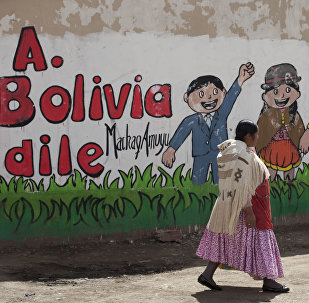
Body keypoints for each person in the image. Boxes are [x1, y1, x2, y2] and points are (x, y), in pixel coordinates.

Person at [196, 120, 289, 292]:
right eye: (256, 134)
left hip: (228, 205)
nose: (258, 137)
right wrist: (248, 211)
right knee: (261, 241)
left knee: (225, 238)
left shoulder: (235, 151)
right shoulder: (242, 155)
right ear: (248, 136)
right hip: (248, 206)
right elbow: (240, 185)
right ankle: (269, 280)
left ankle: (207, 274)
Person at [162, 63, 255, 185]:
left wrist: (240, 79)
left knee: (221, 181)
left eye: (215, 91)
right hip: (201, 154)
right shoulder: (192, 120)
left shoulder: (221, 115)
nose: (209, 96)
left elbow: (231, 98)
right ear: (187, 98)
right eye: (201, 94)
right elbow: (182, 132)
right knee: (197, 181)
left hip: (221, 153)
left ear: (224, 93)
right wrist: (171, 149)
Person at [256, 63, 309, 180]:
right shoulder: (267, 116)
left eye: (288, 89)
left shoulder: (294, 115)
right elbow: (260, 133)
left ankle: (289, 190)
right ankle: (271, 191)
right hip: (272, 148)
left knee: (290, 173)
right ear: (265, 96)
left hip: (290, 147)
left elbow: (299, 129)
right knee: (270, 173)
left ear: (297, 93)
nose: (282, 95)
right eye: (275, 91)